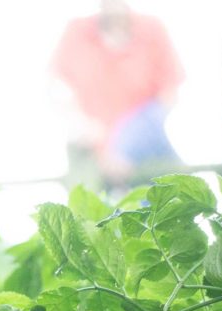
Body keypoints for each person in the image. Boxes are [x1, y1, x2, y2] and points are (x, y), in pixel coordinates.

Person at [50, 1, 184, 190]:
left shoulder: (151, 29)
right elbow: (58, 87)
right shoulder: (77, 32)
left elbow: (168, 94)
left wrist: (124, 147)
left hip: (143, 147)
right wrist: (85, 129)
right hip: (92, 148)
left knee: (172, 193)